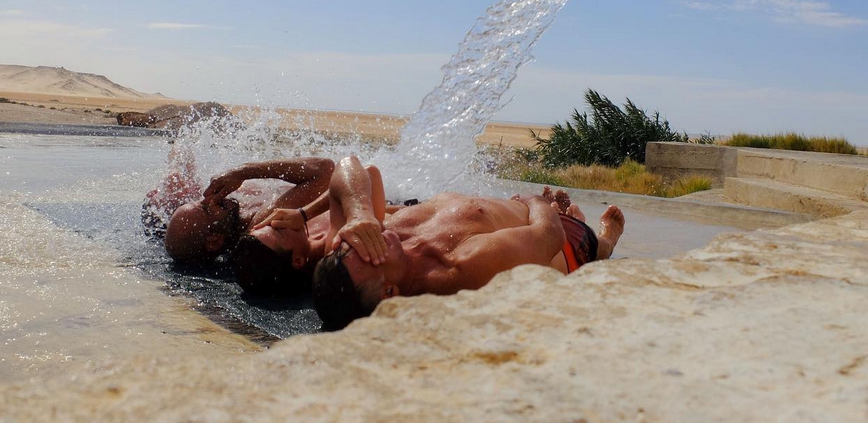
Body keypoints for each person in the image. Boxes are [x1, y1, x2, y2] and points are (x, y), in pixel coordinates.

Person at [312, 156, 625, 330]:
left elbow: (355, 168)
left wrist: (359, 213)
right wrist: (532, 201)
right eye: (369, 256)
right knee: (589, 242)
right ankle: (595, 233)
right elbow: (548, 237)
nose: (369, 241)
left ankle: (555, 209)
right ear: (389, 291)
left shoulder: (347, 257)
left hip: (506, 220)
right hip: (563, 246)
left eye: (354, 244)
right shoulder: (460, 267)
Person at [143, 143, 335, 264]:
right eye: (205, 207)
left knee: (176, 172)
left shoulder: (231, 213)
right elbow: (325, 169)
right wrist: (244, 172)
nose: (210, 199)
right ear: (214, 240)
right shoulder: (261, 221)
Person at [233, 163, 392, 297]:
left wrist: (243, 172)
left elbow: (325, 170)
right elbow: (368, 173)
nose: (275, 222)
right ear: (298, 260)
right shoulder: (337, 245)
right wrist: (305, 213)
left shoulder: (294, 227)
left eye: (267, 226)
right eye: (278, 231)